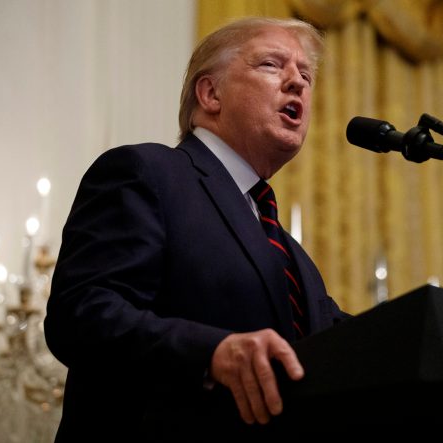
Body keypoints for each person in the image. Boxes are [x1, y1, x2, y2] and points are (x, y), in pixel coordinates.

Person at [44, 16, 348, 442]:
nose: (297, 83)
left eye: (306, 75)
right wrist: (210, 353)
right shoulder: (147, 173)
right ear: (210, 93)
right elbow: (82, 315)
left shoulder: (292, 256)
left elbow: (351, 347)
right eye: (271, 65)